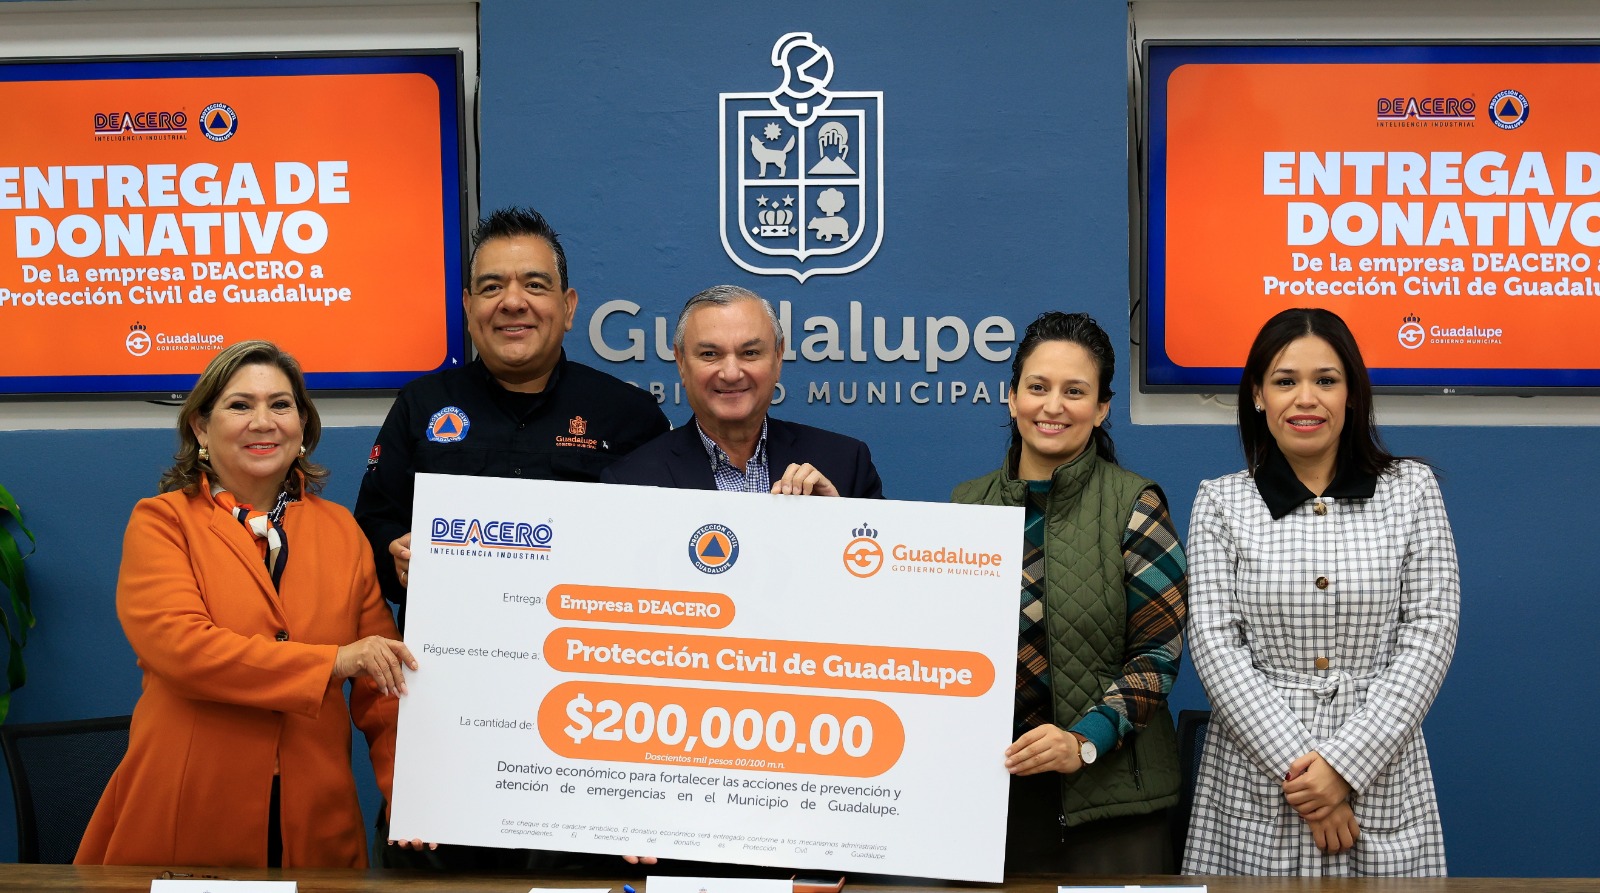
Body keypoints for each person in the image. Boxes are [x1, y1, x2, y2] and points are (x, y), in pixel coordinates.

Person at [76, 341, 414, 869]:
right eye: (240, 405)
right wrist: (332, 661)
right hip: (190, 813)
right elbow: (184, 651)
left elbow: (384, 683)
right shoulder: (162, 522)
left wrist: (413, 796)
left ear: (302, 425)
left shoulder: (342, 531)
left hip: (316, 819)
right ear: (201, 428)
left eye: (281, 405)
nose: (264, 421)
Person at [1182, 308, 1459, 876]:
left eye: (1325, 380)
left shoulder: (1411, 491)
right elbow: (1215, 646)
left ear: (1351, 394)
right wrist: (1308, 778)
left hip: (1380, 773)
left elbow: (1431, 633)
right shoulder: (1221, 502)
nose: (1305, 399)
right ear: (1257, 395)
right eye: (1285, 381)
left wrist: (1344, 767)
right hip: (1256, 783)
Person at [950, 311, 1188, 874]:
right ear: (1012, 397)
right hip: (988, 799)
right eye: (1038, 387)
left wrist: (1083, 741)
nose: (1052, 406)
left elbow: (1157, 656)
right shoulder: (966, 504)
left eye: (1075, 391)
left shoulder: (1136, 504)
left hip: (1112, 807)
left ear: (1101, 408)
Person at [355, 206, 669, 627]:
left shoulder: (630, 414)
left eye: (535, 285)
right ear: (468, 307)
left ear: (568, 307)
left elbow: (665, 545)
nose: (513, 302)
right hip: (449, 649)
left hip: (582, 649)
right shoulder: (422, 404)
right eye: (492, 287)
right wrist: (394, 556)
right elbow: (372, 526)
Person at [601, 284, 882, 498]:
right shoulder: (629, 483)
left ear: (778, 358)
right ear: (681, 363)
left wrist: (839, 522)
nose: (732, 373)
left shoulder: (846, 463)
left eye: (750, 353)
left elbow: (878, 555)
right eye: (710, 354)